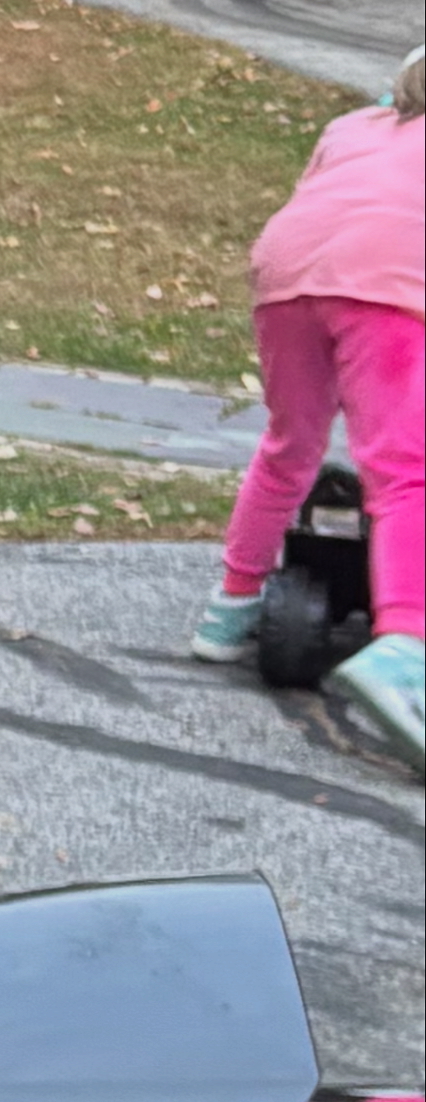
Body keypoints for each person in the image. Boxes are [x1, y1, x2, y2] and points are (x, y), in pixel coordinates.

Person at [191, 44, 422, 768]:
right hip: (386, 283)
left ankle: (229, 610)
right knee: (401, 470)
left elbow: (328, 203)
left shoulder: (352, 127)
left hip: (289, 274)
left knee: (291, 443)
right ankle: (404, 648)